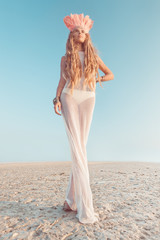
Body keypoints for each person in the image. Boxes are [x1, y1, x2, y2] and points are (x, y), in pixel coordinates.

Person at [53, 13, 114, 224]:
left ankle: (70, 201)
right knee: (77, 147)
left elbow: (110, 74)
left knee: (82, 146)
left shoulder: (93, 58)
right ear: (71, 35)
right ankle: (82, 204)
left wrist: (95, 79)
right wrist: (56, 99)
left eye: (83, 31)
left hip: (88, 97)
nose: (80, 33)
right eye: (76, 30)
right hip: (69, 96)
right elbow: (62, 81)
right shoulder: (65, 58)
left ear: (87, 36)